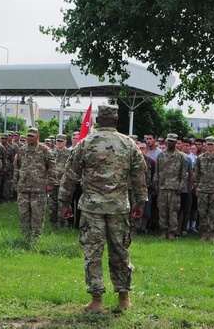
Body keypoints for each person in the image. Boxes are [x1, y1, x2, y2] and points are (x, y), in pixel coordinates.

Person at [58, 103, 147, 313]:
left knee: (93, 252)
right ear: (116, 121)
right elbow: (139, 176)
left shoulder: (86, 143)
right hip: (118, 207)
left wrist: (64, 202)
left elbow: (70, 175)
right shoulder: (129, 144)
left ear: (97, 122)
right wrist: (140, 202)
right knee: (120, 251)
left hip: (92, 207)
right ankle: (124, 296)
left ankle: (96, 299)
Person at [14, 127, 56, 244]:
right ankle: (25, 239)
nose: (29, 138)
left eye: (32, 136)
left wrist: (50, 183)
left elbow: (52, 167)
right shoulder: (21, 150)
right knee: (24, 215)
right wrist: (15, 183)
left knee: (37, 215)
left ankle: (36, 240)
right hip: (23, 188)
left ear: (38, 136)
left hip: (39, 189)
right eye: (28, 135)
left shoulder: (45, 150)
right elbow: (17, 168)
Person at [156, 135, 188, 239]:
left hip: (175, 189)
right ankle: (163, 231)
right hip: (162, 187)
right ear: (166, 142)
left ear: (176, 143)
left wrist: (180, 187)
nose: (170, 143)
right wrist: (156, 185)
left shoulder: (181, 156)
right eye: (169, 141)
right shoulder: (161, 155)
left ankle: (172, 232)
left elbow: (184, 174)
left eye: (172, 141)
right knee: (162, 211)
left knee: (173, 211)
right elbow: (157, 171)